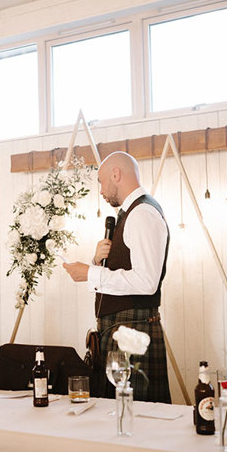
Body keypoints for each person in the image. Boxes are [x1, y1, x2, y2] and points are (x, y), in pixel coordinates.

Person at [63, 151, 170, 403]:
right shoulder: (130, 214)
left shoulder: (143, 213)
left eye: (101, 181)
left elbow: (146, 282)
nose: (100, 190)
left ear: (116, 174)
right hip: (119, 332)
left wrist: (91, 273)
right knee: (117, 417)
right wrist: (97, 262)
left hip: (134, 334)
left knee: (138, 419)